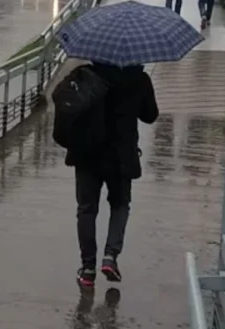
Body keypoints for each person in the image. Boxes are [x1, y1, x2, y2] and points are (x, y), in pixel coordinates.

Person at [58, 62, 159, 289]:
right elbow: (150, 116)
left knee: (86, 209)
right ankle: (110, 256)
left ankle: (87, 269)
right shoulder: (138, 78)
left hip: (87, 154)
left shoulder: (86, 74)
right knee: (120, 205)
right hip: (121, 157)